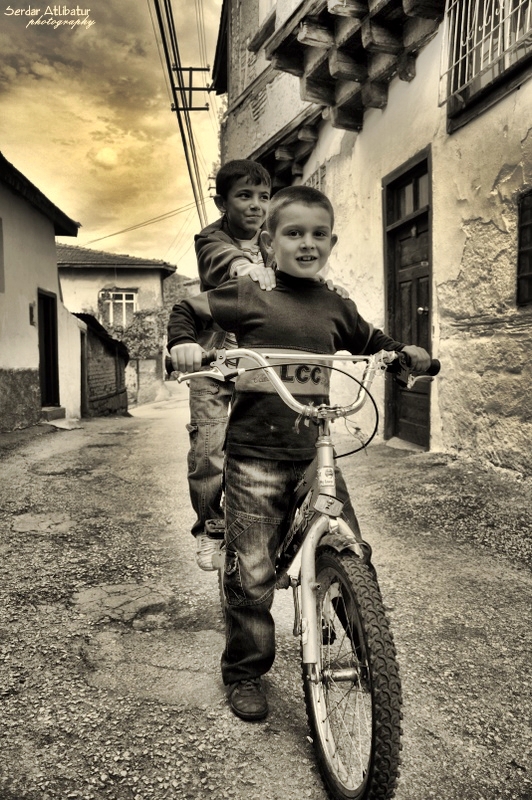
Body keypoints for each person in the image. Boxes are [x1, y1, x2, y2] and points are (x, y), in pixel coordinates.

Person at [168, 185, 431, 722]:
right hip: (254, 456)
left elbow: (373, 340)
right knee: (253, 574)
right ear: (269, 242)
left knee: (353, 549)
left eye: (318, 234)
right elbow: (188, 309)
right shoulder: (249, 294)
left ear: (331, 241)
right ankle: (245, 670)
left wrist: (402, 354)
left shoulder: (335, 305)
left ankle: (368, 650)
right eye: (293, 234)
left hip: (316, 454)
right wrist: (183, 344)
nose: (306, 243)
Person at [188, 160, 274, 571]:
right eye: (245, 196)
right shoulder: (211, 239)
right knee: (210, 449)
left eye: (263, 197)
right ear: (223, 202)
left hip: (259, 361)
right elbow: (222, 260)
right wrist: (244, 266)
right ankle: (210, 526)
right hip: (214, 362)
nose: (256, 205)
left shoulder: (274, 239)